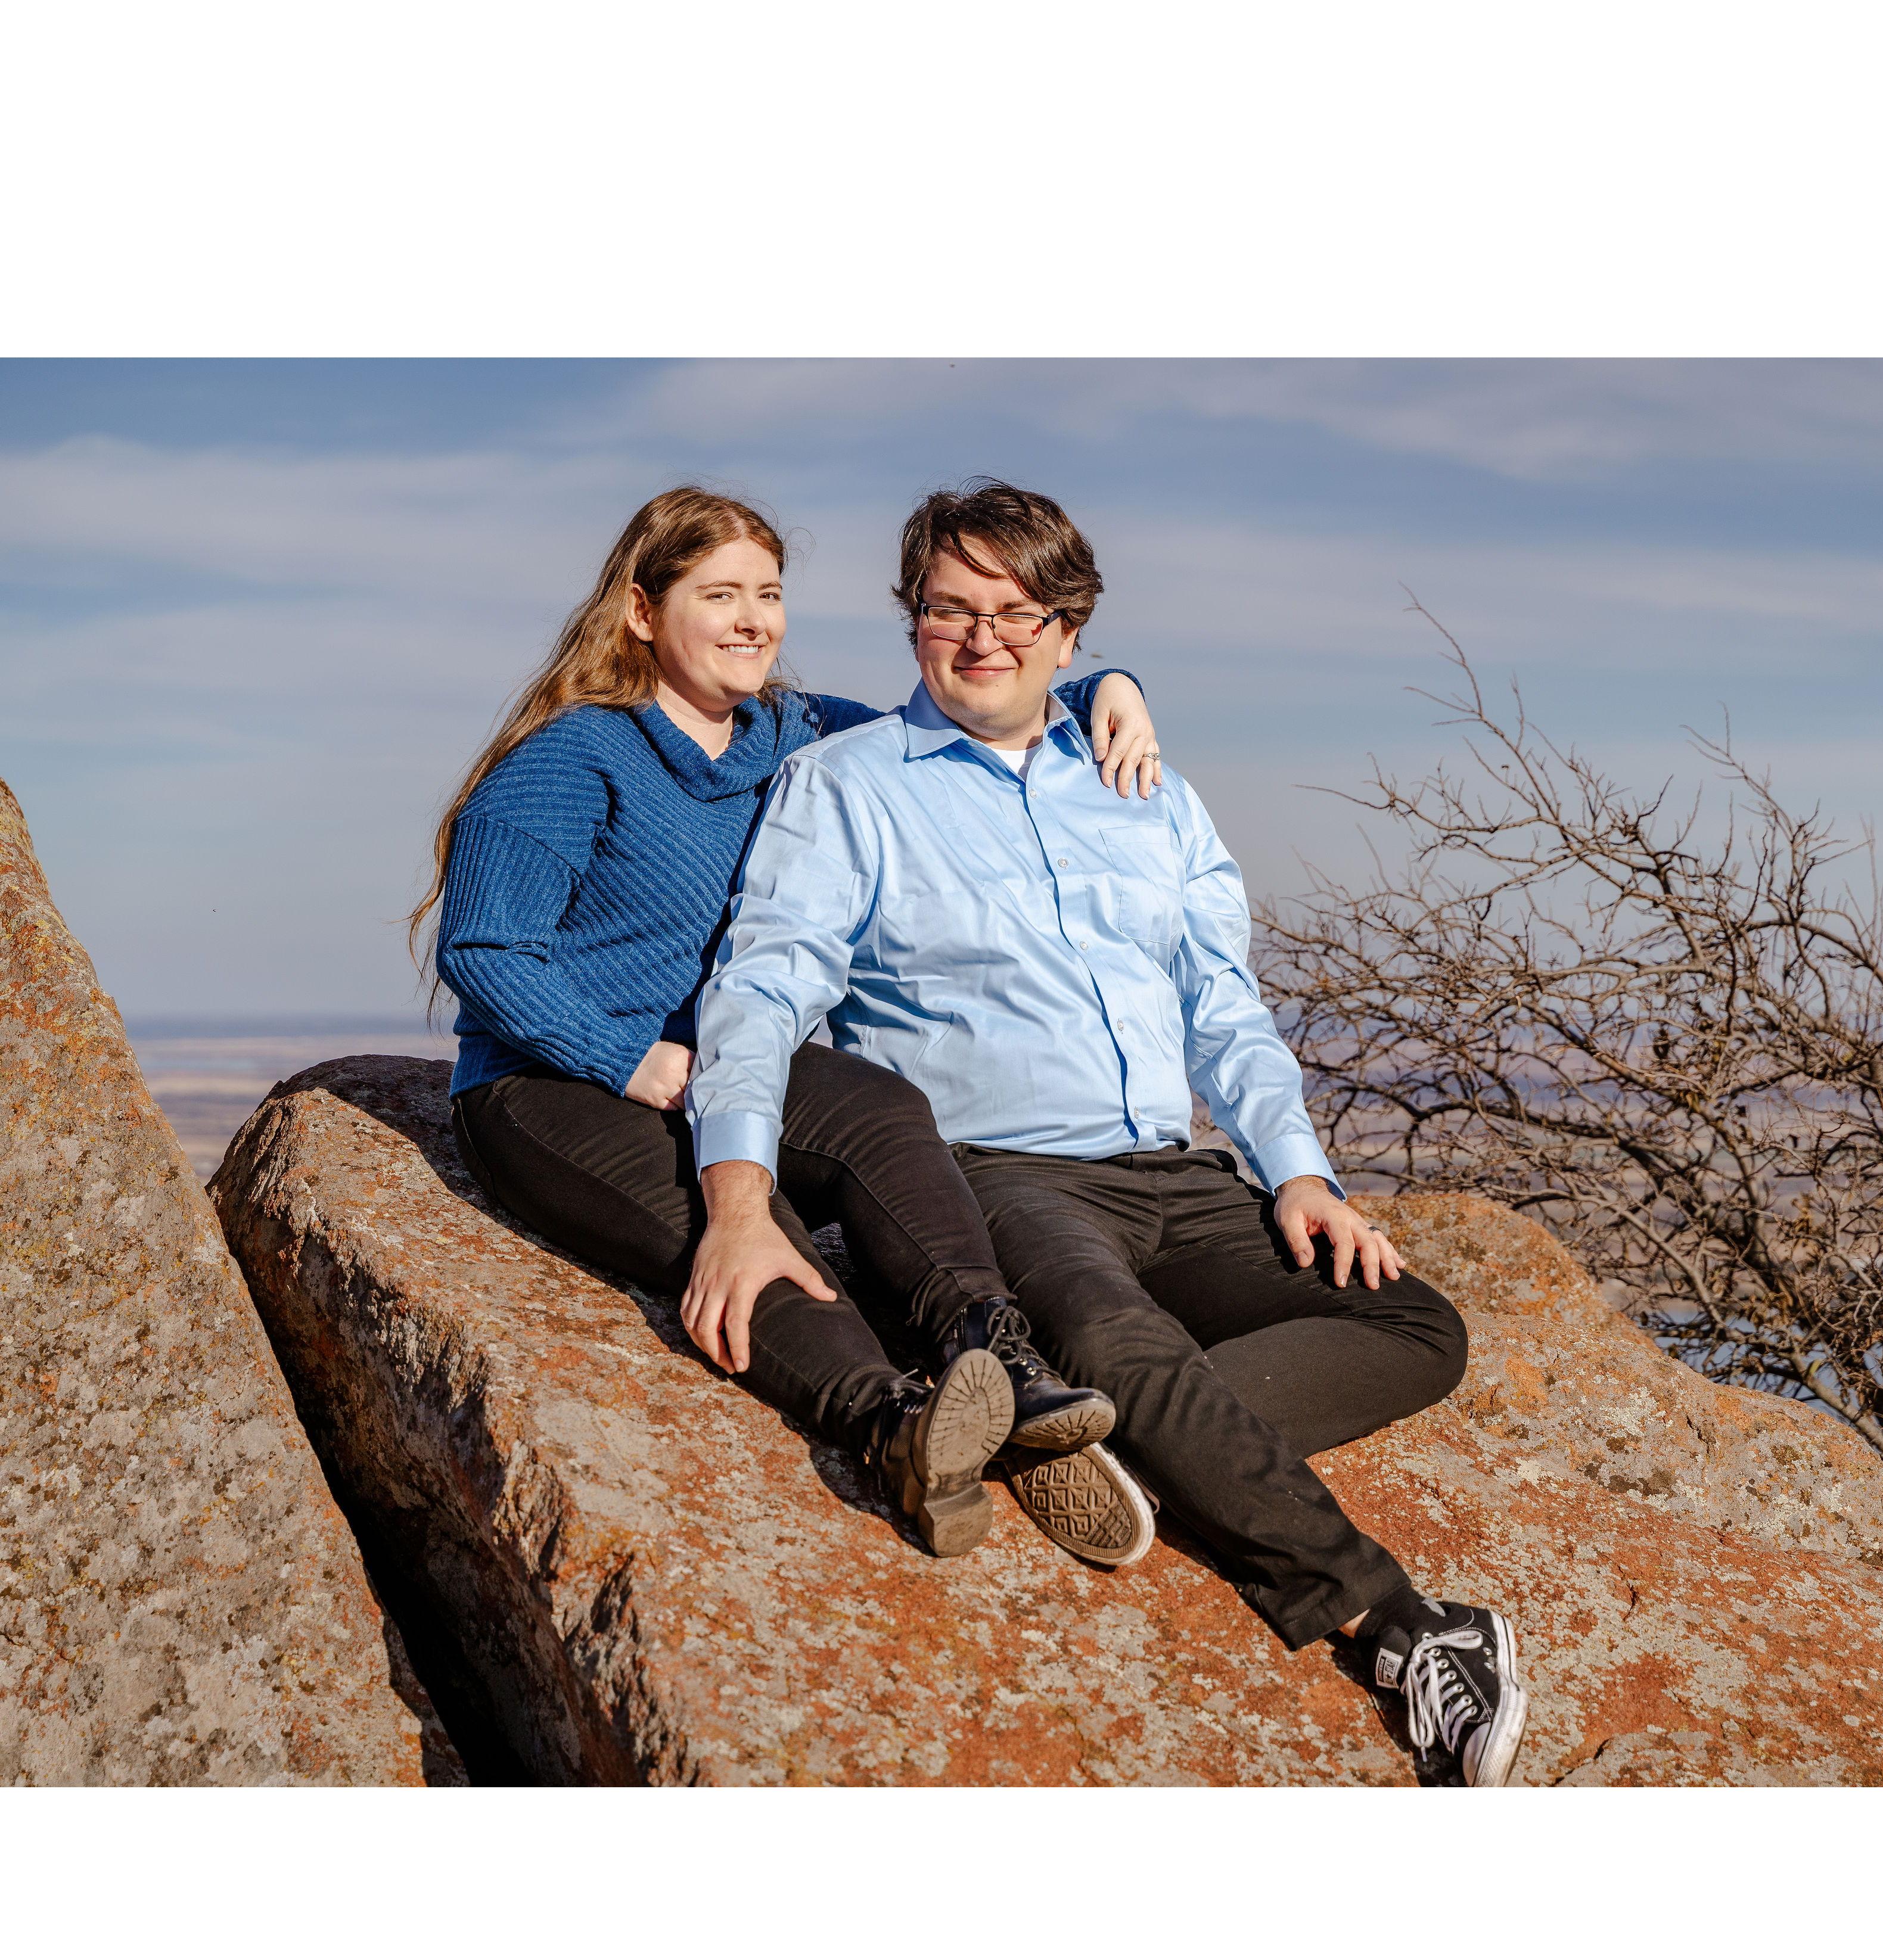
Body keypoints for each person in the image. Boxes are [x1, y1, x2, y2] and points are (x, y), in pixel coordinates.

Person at [688, 481, 1531, 1785]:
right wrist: (737, 1197)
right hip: (996, 1181)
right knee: (1111, 1340)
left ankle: (1113, 1439)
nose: (982, 639)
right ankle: (1405, 1626)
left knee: (1414, 1323)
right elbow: (764, 986)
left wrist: (1299, 1173)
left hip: (1176, 1175)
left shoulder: (1150, 791)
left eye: (1017, 614)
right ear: (912, 621)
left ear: (1070, 632)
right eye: (949, 611)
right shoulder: (846, 786)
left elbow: (1223, 1006)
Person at [414, 486, 1162, 1566]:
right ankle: (896, 1426)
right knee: (735, 1230)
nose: (753, 620)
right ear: (641, 611)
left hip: (721, 1066)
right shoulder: (571, 759)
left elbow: (969, 699)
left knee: (880, 1108)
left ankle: (996, 1359)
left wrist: (1106, 687)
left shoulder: (796, 731)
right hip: (550, 1086)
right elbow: (484, 953)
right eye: (720, 594)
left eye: (768, 594)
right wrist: (624, 1058)